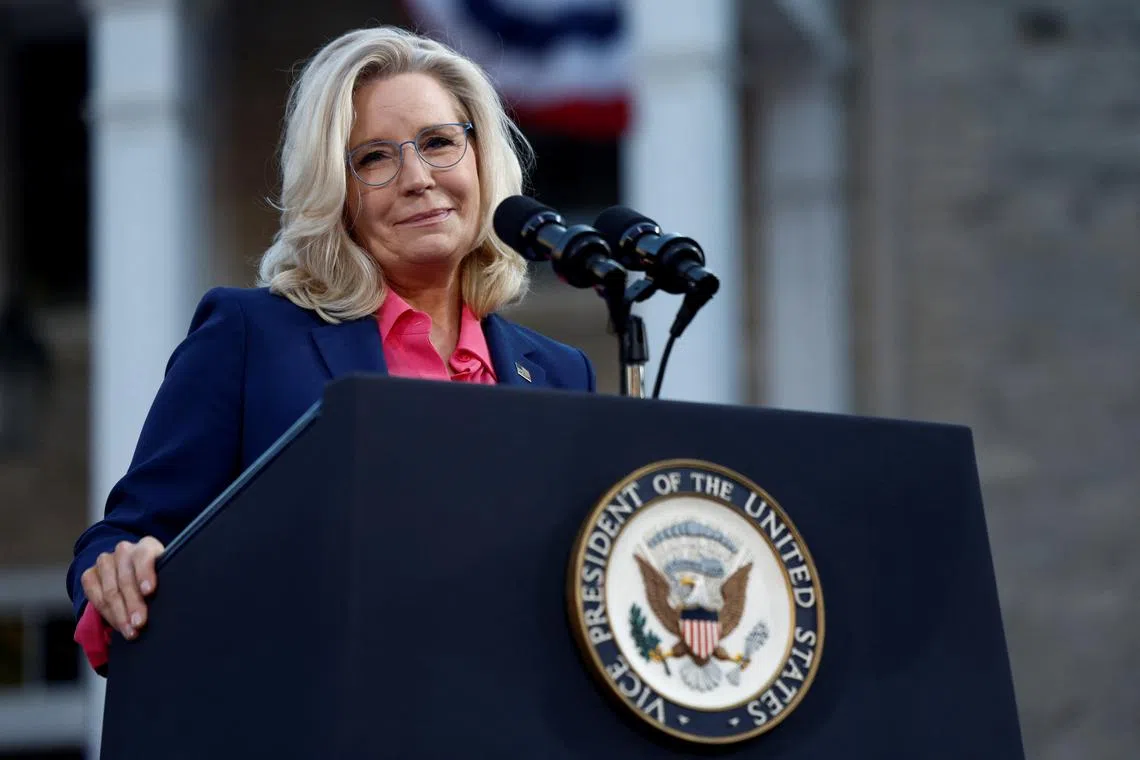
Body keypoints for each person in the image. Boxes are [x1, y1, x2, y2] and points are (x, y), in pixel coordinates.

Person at [66, 26, 596, 674]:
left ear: (482, 160)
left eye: (438, 143)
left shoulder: (561, 375)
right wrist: (118, 571)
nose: (417, 178)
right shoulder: (250, 336)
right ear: (334, 192)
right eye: (374, 158)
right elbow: (126, 536)